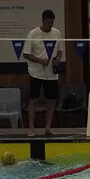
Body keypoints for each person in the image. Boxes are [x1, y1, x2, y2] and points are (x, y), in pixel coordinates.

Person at [22, 7, 64, 135]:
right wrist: (39, 60)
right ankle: (31, 128)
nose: (49, 25)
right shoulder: (33, 34)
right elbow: (26, 54)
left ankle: (48, 127)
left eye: (51, 22)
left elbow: (60, 51)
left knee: (51, 100)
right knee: (33, 100)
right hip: (35, 73)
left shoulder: (56, 33)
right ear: (42, 21)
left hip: (51, 74)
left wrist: (57, 59)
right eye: (47, 22)